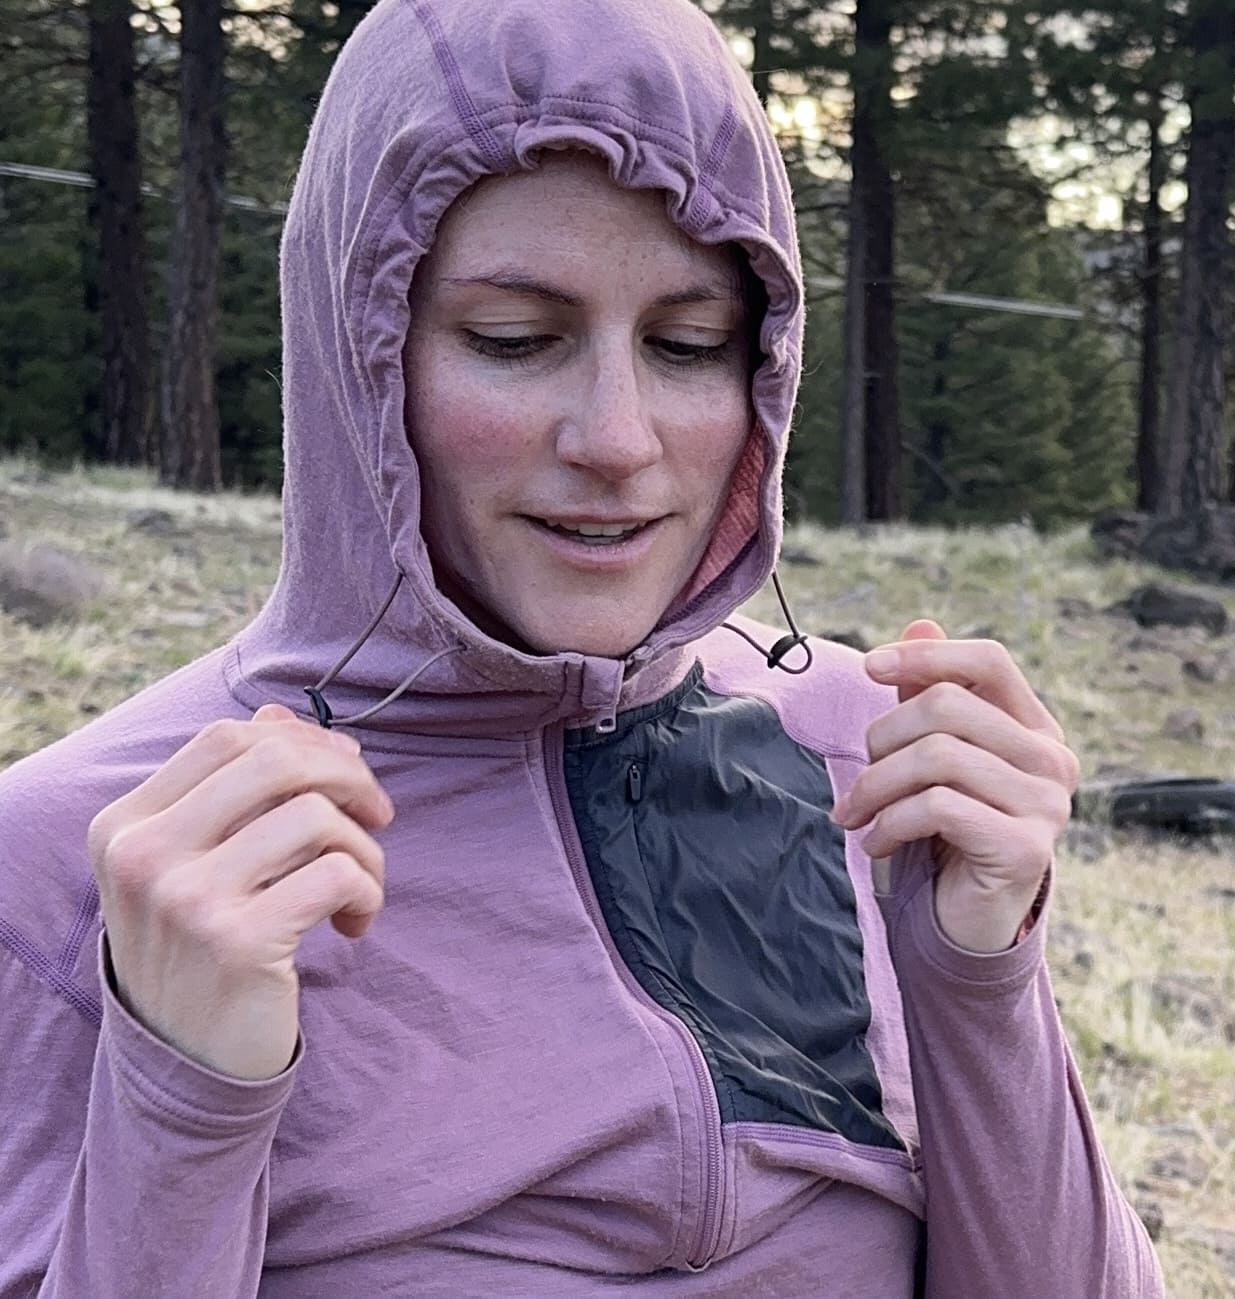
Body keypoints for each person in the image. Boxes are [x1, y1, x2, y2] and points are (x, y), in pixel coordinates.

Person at [0, 0, 1163, 1293]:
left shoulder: (869, 766)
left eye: (688, 344)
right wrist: (184, 1098)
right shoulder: (96, 867)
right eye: (515, 339)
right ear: (359, 353)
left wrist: (980, 973)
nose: (617, 437)